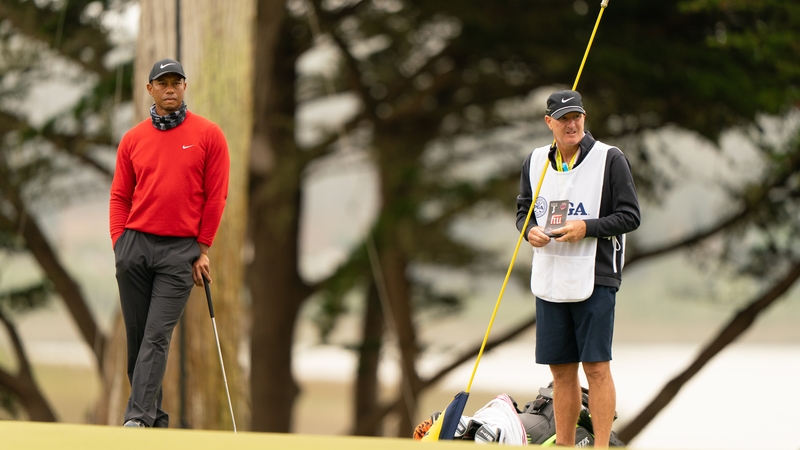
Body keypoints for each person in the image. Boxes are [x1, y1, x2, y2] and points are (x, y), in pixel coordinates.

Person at [515, 89, 640, 447]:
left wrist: (587, 227)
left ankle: (601, 446)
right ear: (549, 123)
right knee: (561, 370)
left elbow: (630, 216)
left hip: (596, 274)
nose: (572, 125)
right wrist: (529, 231)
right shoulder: (535, 161)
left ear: (585, 119)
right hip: (551, 275)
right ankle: (565, 445)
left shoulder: (609, 159)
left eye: (577, 117)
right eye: (564, 118)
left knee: (597, 367)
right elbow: (524, 209)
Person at [109, 58, 230, 428]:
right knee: (137, 338)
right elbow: (119, 197)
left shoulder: (209, 134)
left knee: (157, 335)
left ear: (185, 86)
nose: (170, 88)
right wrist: (120, 245)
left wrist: (203, 248)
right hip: (135, 246)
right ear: (151, 90)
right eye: (163, 83)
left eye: (176, 82)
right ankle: (154, 421)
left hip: (181, 252)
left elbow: (216, 197)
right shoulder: (133, 139)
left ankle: (137, 419)